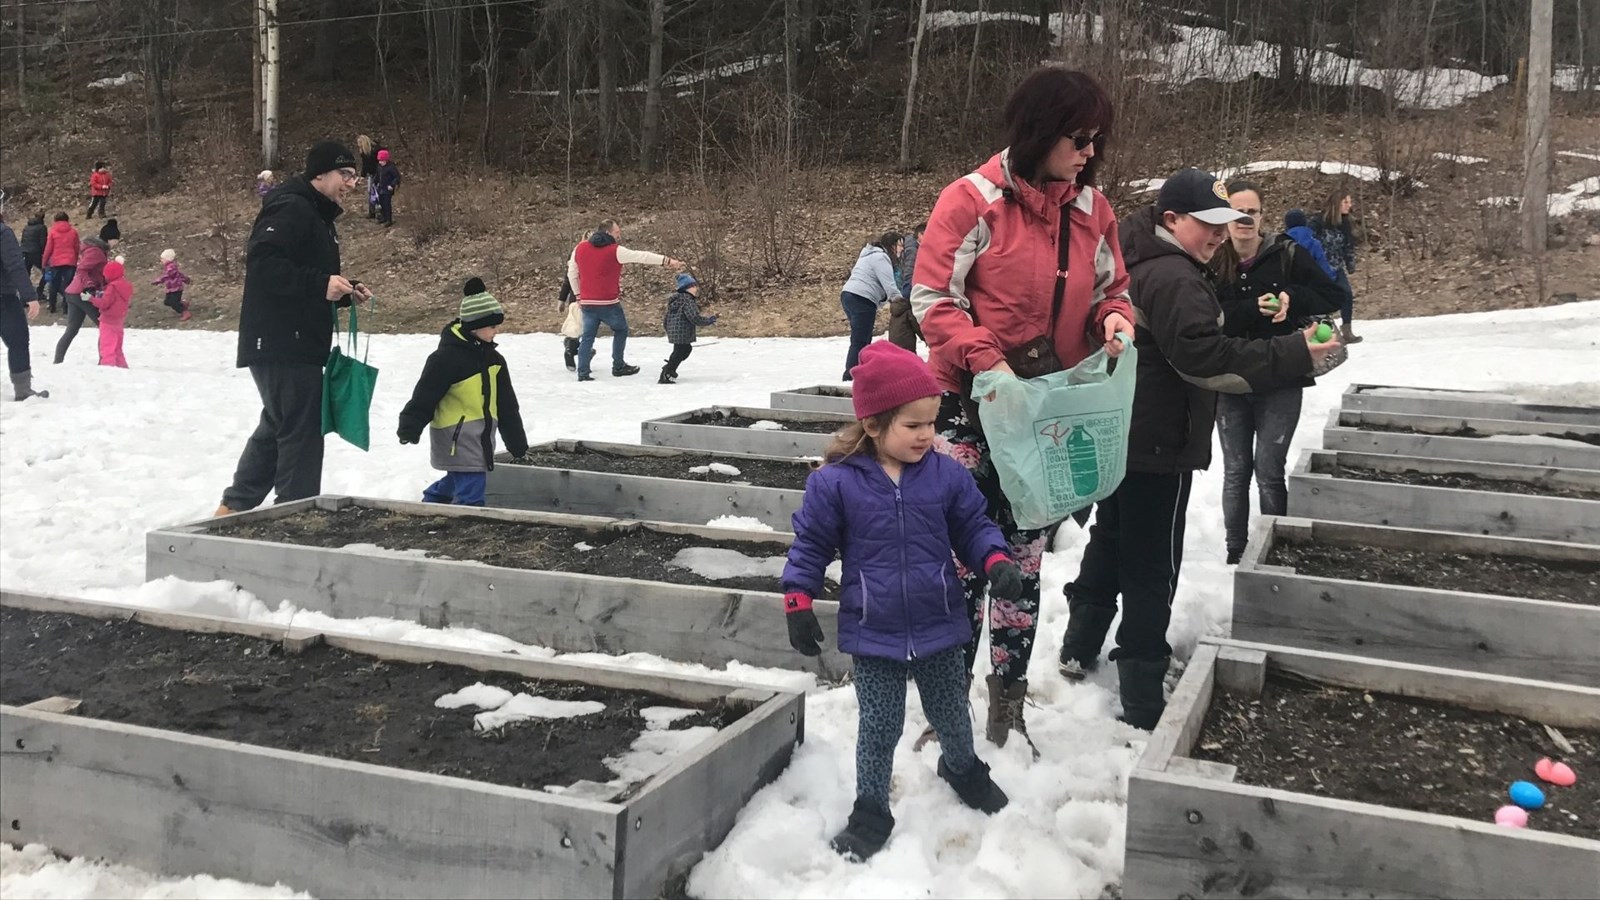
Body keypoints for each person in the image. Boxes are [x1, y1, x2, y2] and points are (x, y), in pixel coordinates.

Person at [1056, 168, 1342, 730]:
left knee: (1111, 538)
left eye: (1224, 224)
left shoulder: (1134, 257)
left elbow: (1182, 333)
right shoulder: (1177, 277)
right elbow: (1204, 357)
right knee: (1151, 563)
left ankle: (1078, 643)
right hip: (1160, 438)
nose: (1218, 235)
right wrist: (1294, 353)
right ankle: (1141, 687)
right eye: (1208, 225)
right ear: (1172, 220)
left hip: (1121, 431)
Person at [911, 66, 1134, 750]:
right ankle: (947, 709)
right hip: (971, 407)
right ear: (1039, 132)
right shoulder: (971, 201)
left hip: (1046, 414)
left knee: (1023, 561)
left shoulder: (1094, 212)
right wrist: (986, 356)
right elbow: (931, 300)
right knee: (959, 559)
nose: (1089, 152)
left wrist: (1116, 322)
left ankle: (1007, 702)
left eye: (1097, 139)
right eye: (1079, 137)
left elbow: (1112, 289)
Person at [781, 341, 1020, 862]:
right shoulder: (835, 485)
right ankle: (870, 806)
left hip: (938, 620)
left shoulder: (946, 475)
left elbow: (973, 526)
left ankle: (962, 768)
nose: (928, 435)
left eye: (931, 423)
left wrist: (995, 561)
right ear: (872, 424)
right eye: (913, 426)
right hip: (875, 628)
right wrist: (797, 599)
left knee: (952, 712)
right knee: (880, 724)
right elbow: (811, 545)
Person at [216, 140, 372, 517]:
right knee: (301, 431)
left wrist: (342, 289)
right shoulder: (292, 206)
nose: (351, 183)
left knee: (279, 424)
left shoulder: (316, 214)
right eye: (345, 174)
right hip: (280, 340)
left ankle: (232, 511)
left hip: (295, 340)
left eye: (355, 176)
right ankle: (295, 516)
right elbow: (264, 262)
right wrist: (320, 284)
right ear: (320, 173)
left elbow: (302, 272)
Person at [1212, 184, 1345, 565]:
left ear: (1261, 217)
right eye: (1237, 213)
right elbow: (1209, 315)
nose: (1244, 220)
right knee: (1236, 471)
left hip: (1284, 379)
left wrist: (1292, 297)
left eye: (1251, 212)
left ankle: (1275, 550)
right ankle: (1235, 553)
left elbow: (1333, 295)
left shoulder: (1286, 253)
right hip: (1231, 379)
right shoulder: (1213, 260)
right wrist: (1253, 309)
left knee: (1269, 470)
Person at [398, 278, 529, 506]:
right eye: (492, 326)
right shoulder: (446, 359)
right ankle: (470, 522)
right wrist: (410, 425)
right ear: (475, 326)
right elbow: (425, 395)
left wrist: (516, 442)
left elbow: (507, 405)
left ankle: (433, 501)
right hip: (456, 436)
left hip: (481, 436)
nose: (497, 331)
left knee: (460, 476)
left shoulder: (495, 361)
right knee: (472, 486)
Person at [566, 219, 683, 382]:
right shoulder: (615, 250)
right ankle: (618, 366)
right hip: (608, 303)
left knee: (587, 337)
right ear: (608, 233)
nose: (619, 236)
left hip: (587, 302)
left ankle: (583, 372)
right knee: (621, 330)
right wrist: (667, 261)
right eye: (617, 233)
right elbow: (642, 256)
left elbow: (571, 273)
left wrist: (578, 295)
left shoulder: (580, 248)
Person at [0, 200, 49, 400]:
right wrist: (30, 296)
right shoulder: (3, 233)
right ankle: (23, 390)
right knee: (18, 340)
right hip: (3, 297)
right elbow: (15, 266)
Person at [839, 232, 904, 380]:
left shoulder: (869, 255)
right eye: (900, 245)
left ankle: (858, 371)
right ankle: (851, 375)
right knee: (861, 339)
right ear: (892, 245)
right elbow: (889, 286)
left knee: (862, 337)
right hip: (862, 298)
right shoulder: (881, 257)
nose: (901, 249)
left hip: (849, 295)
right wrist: (901, 301)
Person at [54, 218, 119, 364]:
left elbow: (96, 273)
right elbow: (82, 269)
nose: (117, 243)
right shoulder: (96, 252)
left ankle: (57, 361)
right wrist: (89, 286)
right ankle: (105, 360)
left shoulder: (96, 250)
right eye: (115, 239)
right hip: (82, 293)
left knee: (72, 329)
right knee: (104, 325)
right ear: (109, 239)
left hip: (73, 292)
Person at [1310, 188, 1362, 344]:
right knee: (1321, 300)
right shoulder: (1318, 222)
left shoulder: (1345, 223)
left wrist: (1350, 263)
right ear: (1336, 203)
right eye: (1346, 202)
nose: (1349, 205)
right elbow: (1309, 242)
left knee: (1346, 294)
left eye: (1350, 202)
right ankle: (1320, 331)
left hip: (1337, 266)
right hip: (1319, 267)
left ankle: (1347, 330)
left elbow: (1348, 245)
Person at [659, 272, 717, 384]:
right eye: (693, 286)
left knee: (680, 351)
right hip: (683, 331)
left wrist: (668, 329)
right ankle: (668, 372)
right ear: (687, 288)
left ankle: (669, 367)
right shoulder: (688, 301)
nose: (695, 288)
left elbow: (666, 318)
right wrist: (709, 321)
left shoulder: (675, 300)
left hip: (674, 331)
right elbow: (694, 317)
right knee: (682, 351)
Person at [887, 222, 924, 352]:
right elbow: (909, 270)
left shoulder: (909, 247)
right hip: (908, 294)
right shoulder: (913, 249)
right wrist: (909, 291)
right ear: (920, 235)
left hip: (902, 298)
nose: (900, 249)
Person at [90, 259, 131, 368]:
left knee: (107, 346)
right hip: (119, 320)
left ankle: (108, 369)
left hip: (107, 320)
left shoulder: (112, 288)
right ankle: (122, 367)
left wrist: (91, 299)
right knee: (117, 347)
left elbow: (104, 304)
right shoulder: (126, 286)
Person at [40, 212, 79, 315]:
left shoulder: (52, 232)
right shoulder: (73, 232)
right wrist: (75, 260)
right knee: (68, 285)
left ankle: (52, 306)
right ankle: (66, 308)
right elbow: (76, 248)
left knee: (54, 284)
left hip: (56, 262)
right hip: (70, 262)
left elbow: (48, 249)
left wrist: (44, 262)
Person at [1281, 208, 1337, 280]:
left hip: (1290, 287)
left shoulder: (1282, 244)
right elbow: (1324, 267)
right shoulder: (1314, 243)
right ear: (1305, 222)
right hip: (1312, 285)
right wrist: (1332, 278)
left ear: (1287, 225)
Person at [154, 248, 192, 320]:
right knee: (167, 302)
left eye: (162, 259)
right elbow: (179, 275)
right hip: (170, 288)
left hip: (176, 288)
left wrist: (158, 280)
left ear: (167, 259)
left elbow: (167, 275)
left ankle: (184, 312)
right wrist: (185, 279)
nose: (161, 260)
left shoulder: (171, 268)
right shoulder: (169, 267)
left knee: (174, 302)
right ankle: (183, 304)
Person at [557, 275, 581, 371]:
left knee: (577, 327)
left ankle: (572, 347)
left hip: (576, 299)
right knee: (582, 328)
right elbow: (570, 278)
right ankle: (571, 347)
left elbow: (569, 278)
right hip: (583, 298)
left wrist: (562, 299)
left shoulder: (573, 260)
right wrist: (561, 299)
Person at [20, 212, 46, 295]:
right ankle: (40, 291)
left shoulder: (26, 227)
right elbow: (43, 242)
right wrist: (44, 253)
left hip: (25, 252)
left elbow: (22, 241)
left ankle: (24, 297)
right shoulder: (42, 228)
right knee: (47, 271)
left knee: (25, 275)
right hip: (35, 253)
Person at [375, 149, 401, 227]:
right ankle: (384, 217)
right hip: (380, 187)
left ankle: (389, 220)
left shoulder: (391, 167)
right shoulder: (379, 167)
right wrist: (375, 182)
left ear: (386, 160)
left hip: (388, 188)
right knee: (381, 203)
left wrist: (392, 185)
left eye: (382, 161)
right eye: (379, 160)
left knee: (387, 204)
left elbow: (397, 177)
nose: (380, 162)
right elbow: (377, 175)